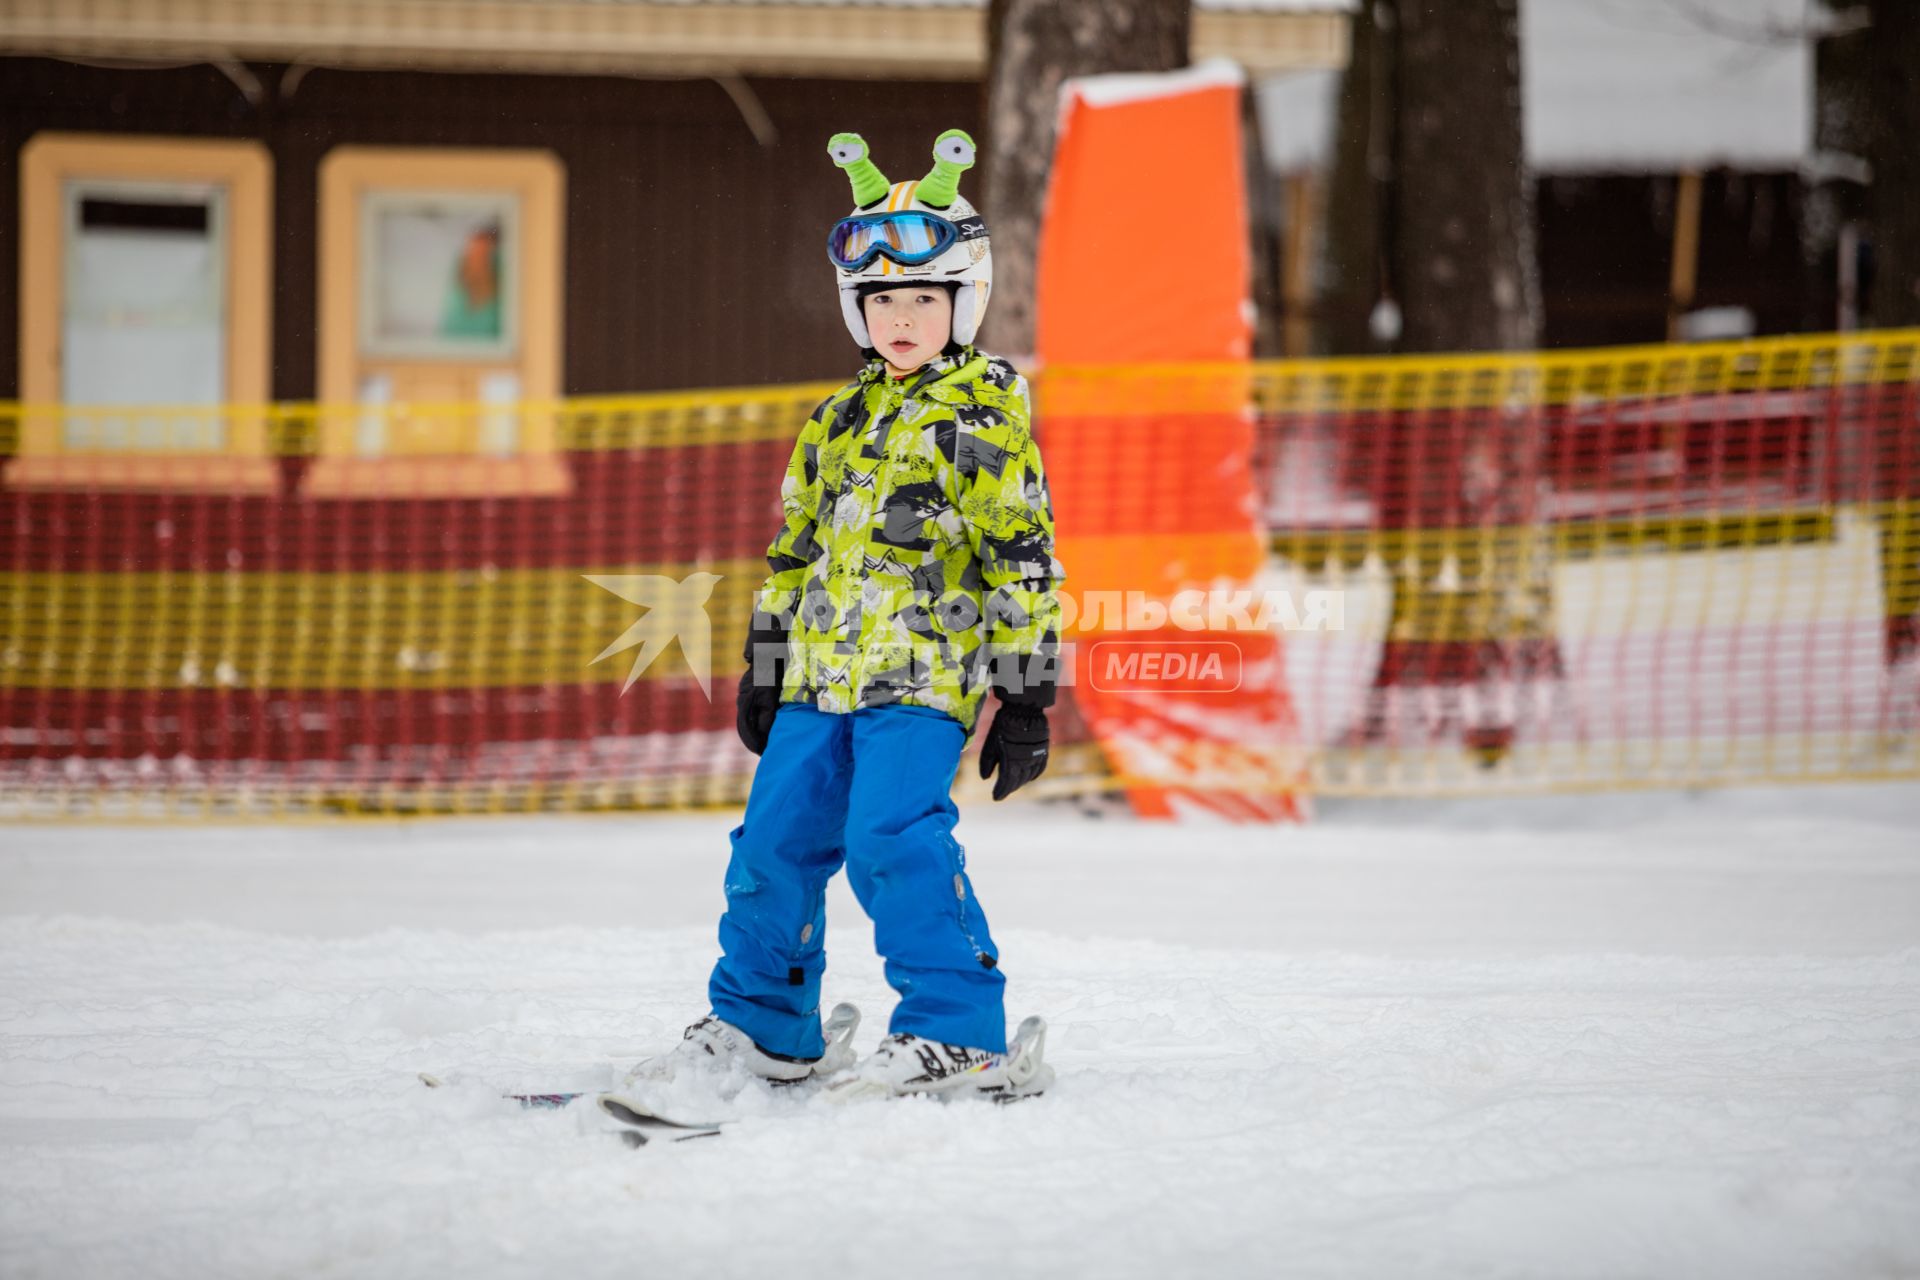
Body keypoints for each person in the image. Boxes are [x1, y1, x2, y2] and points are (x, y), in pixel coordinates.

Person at [633, 129, 1066, 1099]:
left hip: (922, 679)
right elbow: (796, 545)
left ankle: (960, 1029)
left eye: (922, 297)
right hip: (820, 679)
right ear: (856, 309)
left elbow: (1022, 550)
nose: (900, 316)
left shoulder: (984, 410)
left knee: (891, 838)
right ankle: (763, 1022)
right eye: (880, 300)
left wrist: (1028, 689)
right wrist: (768, 658)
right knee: (772, 841)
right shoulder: (835, 418)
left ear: (963, 302)